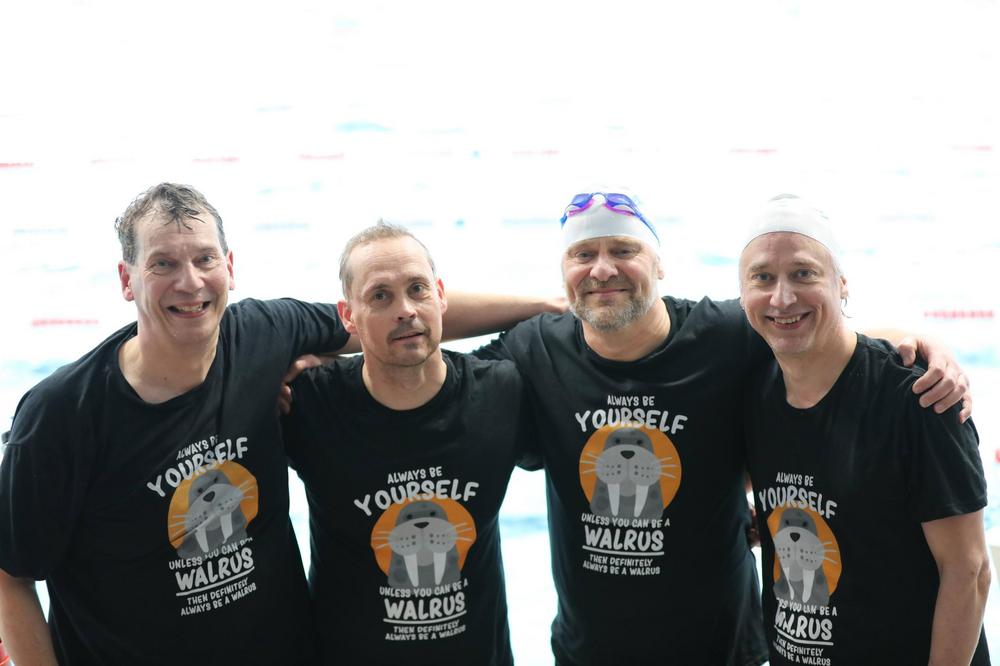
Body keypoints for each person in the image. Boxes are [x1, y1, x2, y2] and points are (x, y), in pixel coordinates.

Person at [0, 183, 561, 665]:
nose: (190, 282)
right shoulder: (63, 415)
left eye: (204, 259)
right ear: (127, 280)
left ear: (230, 267)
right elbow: (9, 574)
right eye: (162, 264)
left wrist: (554, 305)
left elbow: (389, 321)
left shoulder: (264, 336)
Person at [471, 191, 970, 665]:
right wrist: (543, 305)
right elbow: (429, 338)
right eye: (582, 255)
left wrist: (918, 343)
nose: (602, 269)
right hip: (587, 652)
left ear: (659, 264)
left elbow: (811, 330)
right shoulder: (534, 349)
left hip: (722, 648)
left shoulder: (724, 335)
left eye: (623, 250)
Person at [738, 195, 990, 665]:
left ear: (842, 286)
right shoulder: (753, 393)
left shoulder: (919, 397)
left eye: (804, 274)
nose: (782, 297)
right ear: (741, 296)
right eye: (763, 278)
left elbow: (969, 571)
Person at [281, 222, 530, 665]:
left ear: (441, 296)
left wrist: (556, 302)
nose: (405, 310)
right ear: (347, 316)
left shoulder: (502, 391)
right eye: (380, 296)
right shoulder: (308, 403)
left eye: (417, 289)